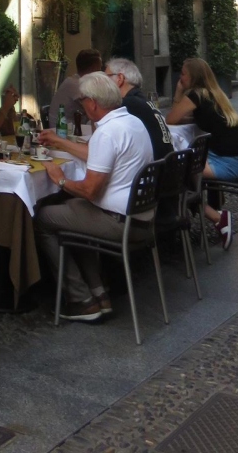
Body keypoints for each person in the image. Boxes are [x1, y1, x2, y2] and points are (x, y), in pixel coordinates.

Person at [34, 72, 154, 323]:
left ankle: (81, 300)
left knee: (44, 218)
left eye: (82, 101)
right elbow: (97, 156)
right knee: (72, 210)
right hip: (141, 218)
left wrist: (61, 180)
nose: (81, 106)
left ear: (92, 102)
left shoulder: (107, 132)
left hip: (120, 222)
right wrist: (59, 142)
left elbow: (90, 191)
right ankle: (99, 293)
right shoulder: (132, 122)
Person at [165, 56, 238, 251]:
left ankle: (217, 217)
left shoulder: (196, 96)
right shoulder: (214, 94)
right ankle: (211, 206)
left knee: (177, 176)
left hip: (228, 164)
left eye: (183, 74)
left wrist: (178, 92)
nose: (180, 77)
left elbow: (171, 119)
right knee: (188, 170)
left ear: (193, 77)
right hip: (236, 159)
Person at [40, 58, 171, 163]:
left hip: (150, 179)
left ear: (119, 79)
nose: (102, 81)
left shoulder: (126, 105)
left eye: (105, 77)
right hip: (159, 173)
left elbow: (94, 153)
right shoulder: (140, 101)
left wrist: (58, 141)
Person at [48, 49, 104, 125]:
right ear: (93, 69)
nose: (101, 71)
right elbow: (95, 109)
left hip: (74, 125)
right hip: (62, 128)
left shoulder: (78, 82)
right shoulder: (75, 85)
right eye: (99, 68)